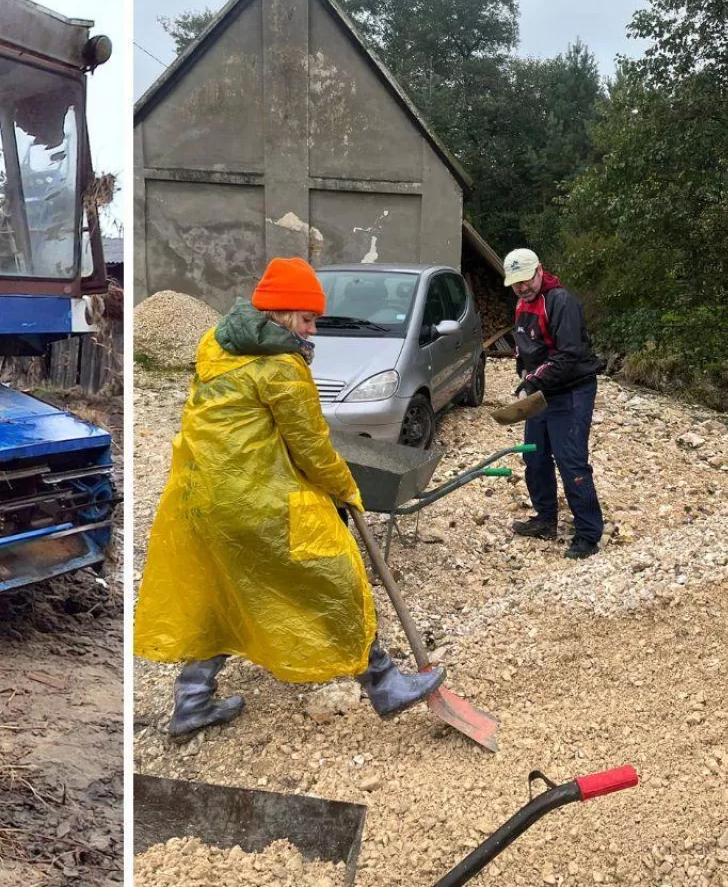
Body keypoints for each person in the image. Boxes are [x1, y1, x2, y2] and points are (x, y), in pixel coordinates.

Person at [134, 257, 445, 740]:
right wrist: (347, 489)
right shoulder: (282, 367)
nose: (313, 328)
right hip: (254, 501)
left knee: (223, 589)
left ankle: (191, 701)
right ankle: (384, 684)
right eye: (306, 318)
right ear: (279, 314)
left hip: (198, 498)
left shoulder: (216, 342)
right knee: (334, 576)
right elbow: (312, 447)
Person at [502, 248, 605, 559]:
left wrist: (532, 381)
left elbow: (569, 356)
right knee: (534, 458)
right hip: (542, 393)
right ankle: (545, 520)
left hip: (572, 391)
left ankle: (588, 534)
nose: (522, 287)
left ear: (540, 271)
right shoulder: (522, 303)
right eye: (516, 283)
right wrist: (522, 369)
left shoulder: (561, 302)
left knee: (571, 461)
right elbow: (524, 345)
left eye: (526, 280)